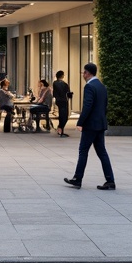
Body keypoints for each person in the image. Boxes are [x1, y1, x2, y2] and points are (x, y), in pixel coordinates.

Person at [64, 62, 115, 191]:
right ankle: (110, 180)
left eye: (83, 72)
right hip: (100, 124)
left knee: (83, 151)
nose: (83, 75)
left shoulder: (89, 86)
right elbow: (105, 106)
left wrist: (80, 122)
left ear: (87, 73)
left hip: (91, 125)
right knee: (102, 152)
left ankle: (77, 178)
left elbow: (87, 106)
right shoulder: (102, 86)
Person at [52, 70, 71, 137]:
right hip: (64, 100)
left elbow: (54, 93)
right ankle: (61, 128)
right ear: (62, 76)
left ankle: (60, 128)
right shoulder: (65, 84)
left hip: (58, 100)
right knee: (65, 116)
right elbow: (68, 93)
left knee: (61, 114)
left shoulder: (55, 83)